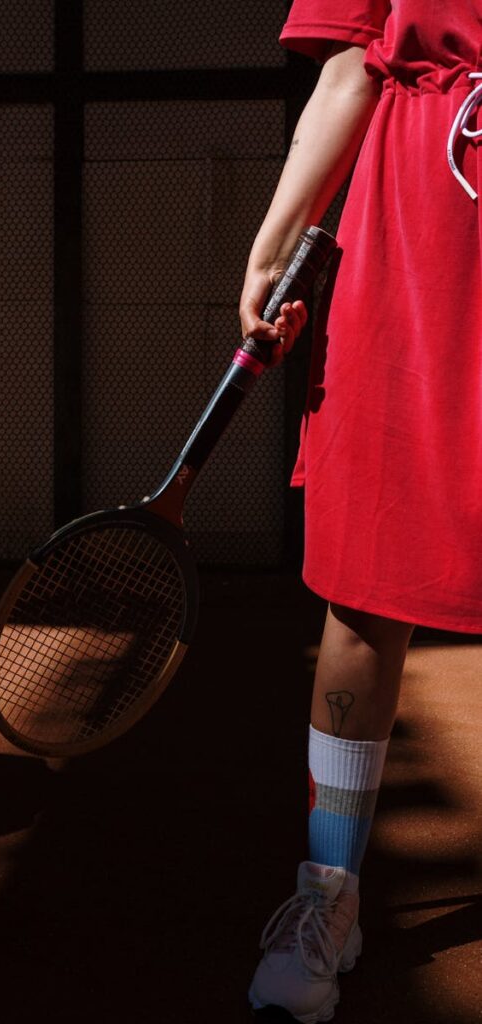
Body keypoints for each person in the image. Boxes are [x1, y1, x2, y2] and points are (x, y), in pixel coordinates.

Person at [239, 2, 482, 1021]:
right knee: (362, 578)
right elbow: (347, 71)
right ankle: (327, 893)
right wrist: (269, 247)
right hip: (412, 234)